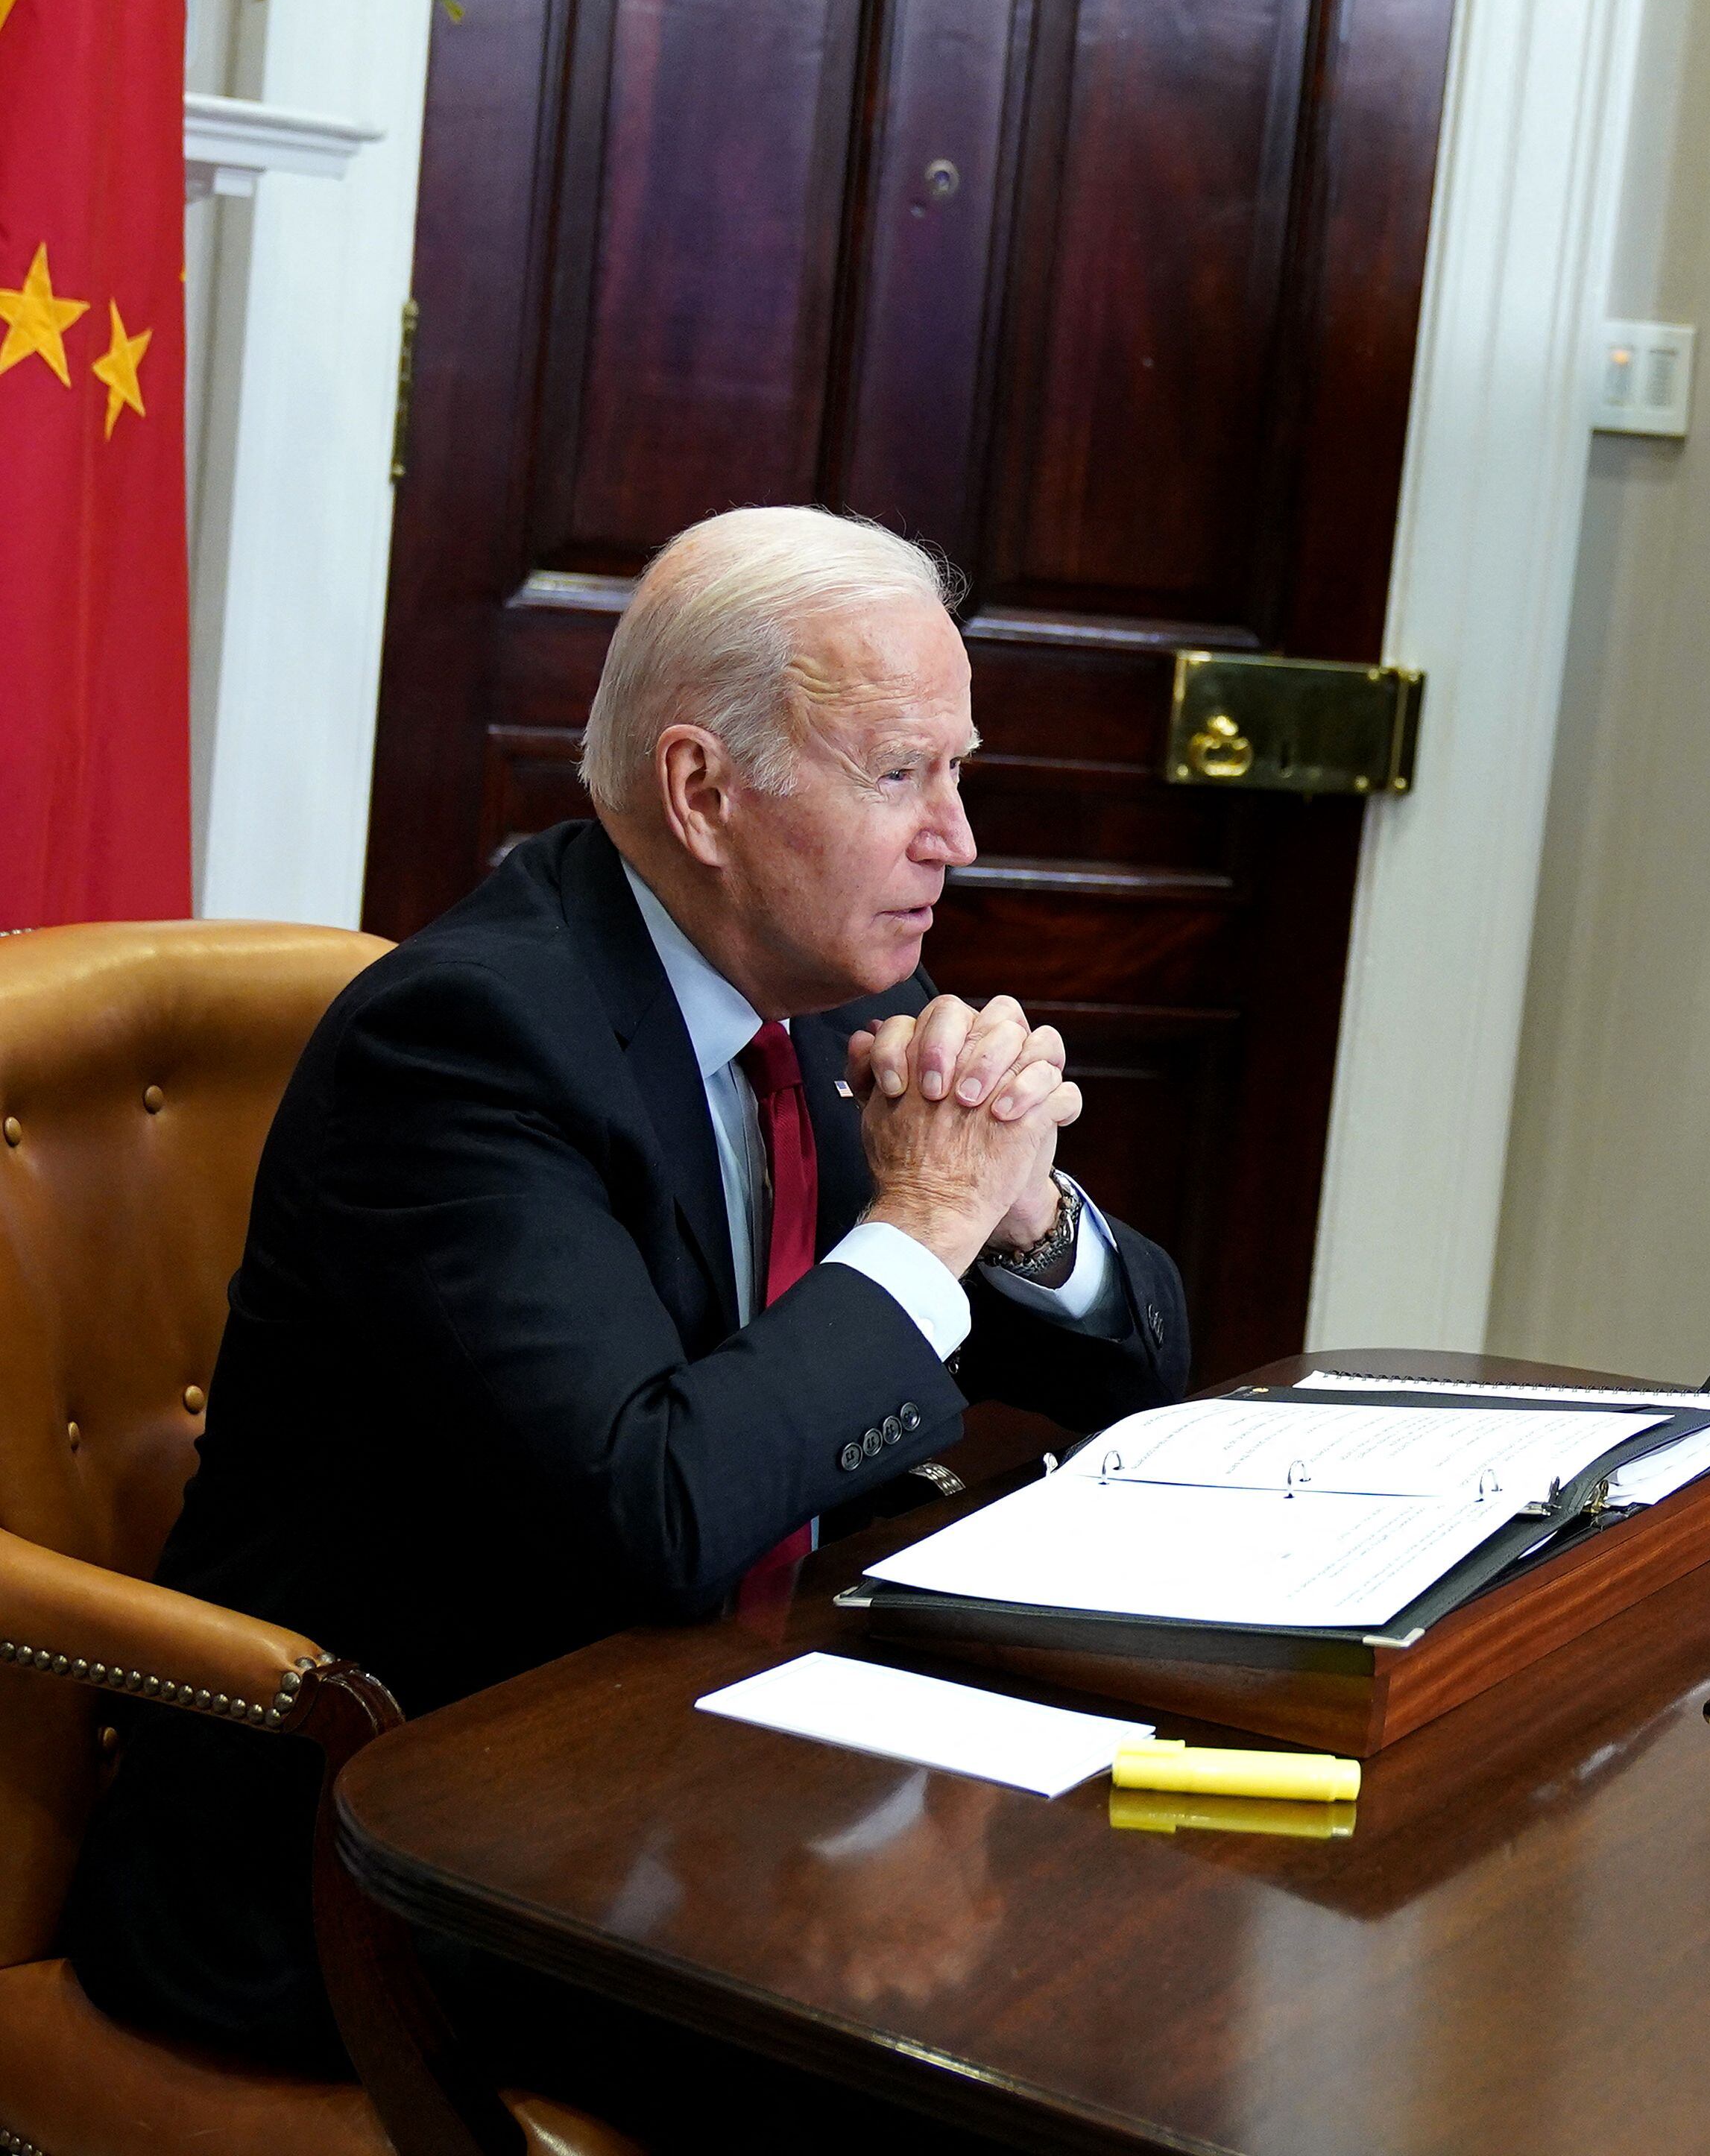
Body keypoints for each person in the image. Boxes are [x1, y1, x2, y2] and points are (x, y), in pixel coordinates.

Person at [61, 507, 1190, 2073]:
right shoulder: (464, 1044)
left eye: (958, 767)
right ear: (702, 791)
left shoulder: (830, 984)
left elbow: (1143, 1370)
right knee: (984, 2058)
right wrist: (930, 1215)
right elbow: (655, 1499)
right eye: (899, 775)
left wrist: (1023, 1219)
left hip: (715, 1763)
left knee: (1130, 1949)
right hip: (385, 1842)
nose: (961, 835)